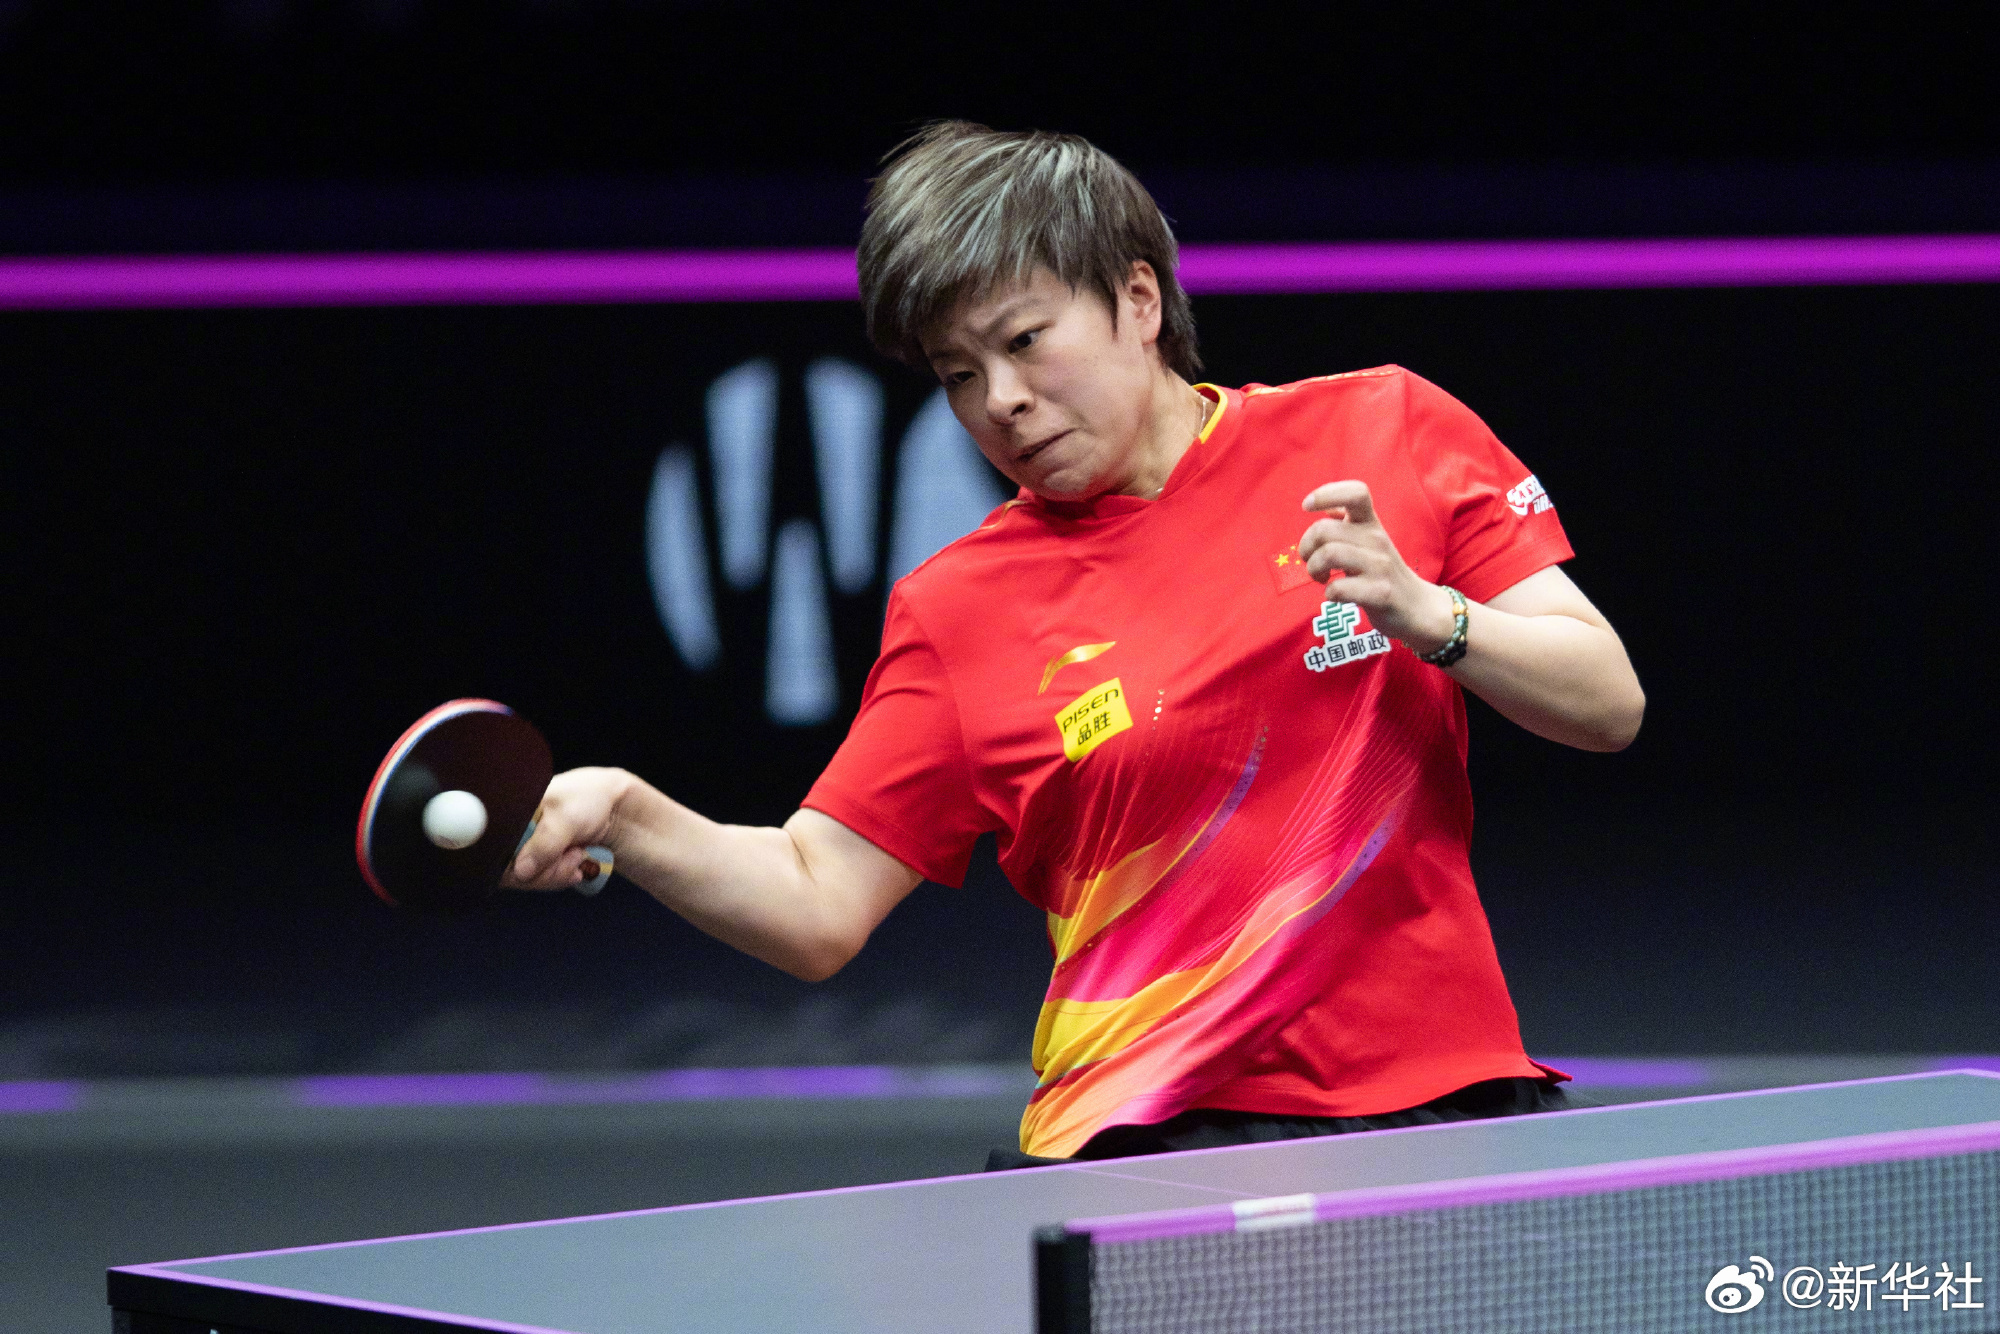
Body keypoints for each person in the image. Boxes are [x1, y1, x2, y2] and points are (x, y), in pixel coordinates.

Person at [508, 122, 1645, 1165]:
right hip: (1152, 1145)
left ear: (1137, 299)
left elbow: (1605, 702)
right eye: (958, 374)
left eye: (1024, 340)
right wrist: (626, 815)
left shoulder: (1378, 427)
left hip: (1443, 1107)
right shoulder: (960, 609)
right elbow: (816, 902)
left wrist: (1429, 616)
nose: (999, 401)